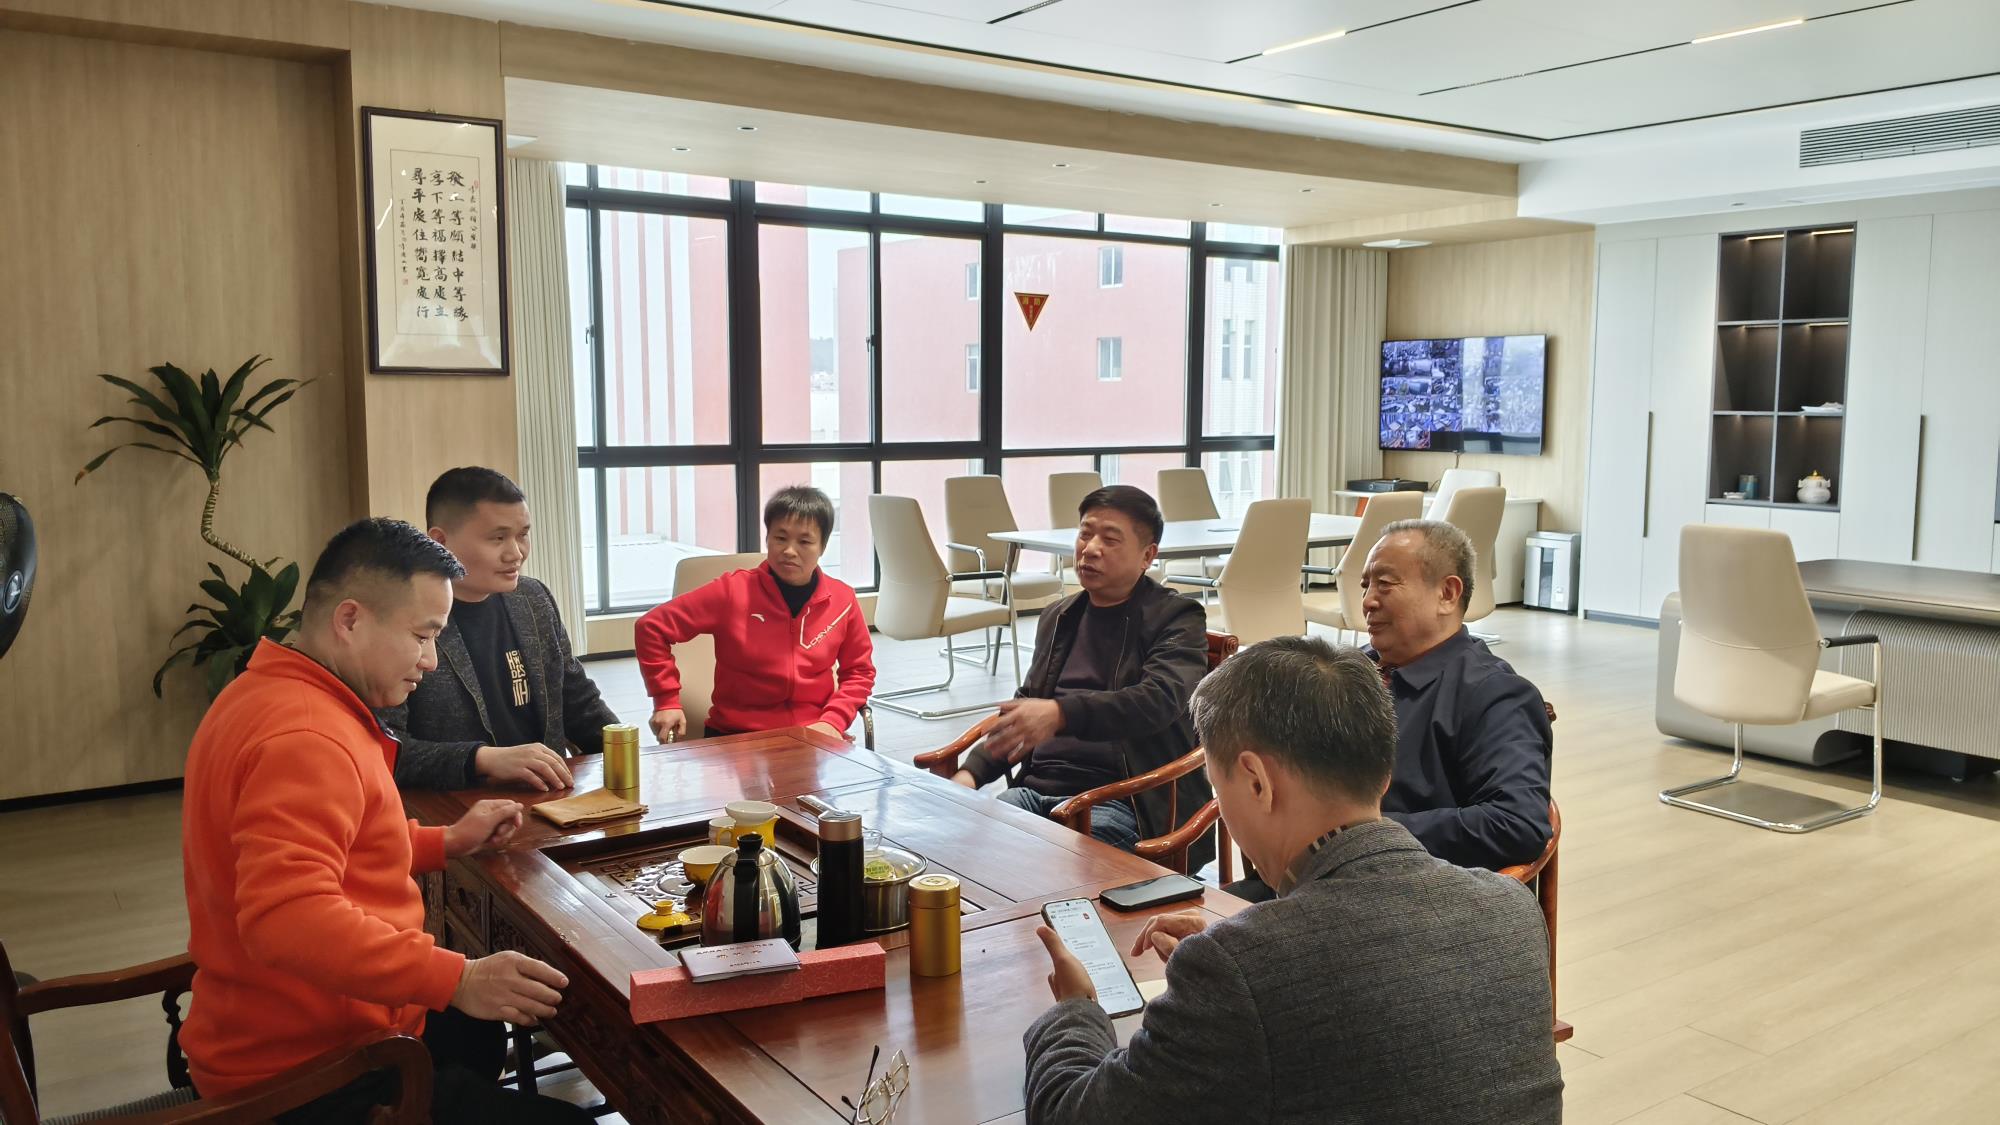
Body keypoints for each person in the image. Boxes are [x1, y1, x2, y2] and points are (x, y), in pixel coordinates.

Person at [1025, 637, 1562, 1124]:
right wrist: (1242, 956)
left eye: (1216, 787)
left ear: (1257, 782)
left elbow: (1072, 1116)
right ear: (1383, 771)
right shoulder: (1511, 911)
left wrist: (1076, 1011)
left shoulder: (1238, 969)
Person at [181, 518, 590, 1124]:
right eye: (423, 636)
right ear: (350, 620)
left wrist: (443, 840)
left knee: (478, 1033)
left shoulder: (268, 690)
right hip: (308, 1071)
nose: (431, 661)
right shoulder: (306, 737)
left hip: (288, 1013)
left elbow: (340, 843)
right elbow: (286, 920)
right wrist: (458, 978)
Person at [950, 485, 1210, 865]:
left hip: (1125, 802)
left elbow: (1158, 700)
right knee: (965, 852)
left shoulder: (1177, 618)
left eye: (1110, 539)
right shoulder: (1059, 616)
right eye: (1085, 534)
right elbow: (1025, 711)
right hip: (1034, 792)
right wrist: (971, 774)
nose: (1090, 549)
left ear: (1147, 556)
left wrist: (1061, 714)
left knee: (1037, 868)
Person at [383, 467, 617, 793]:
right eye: (498, 538)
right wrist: (480, 760)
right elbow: (388, 749)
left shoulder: (533, 598)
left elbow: (579, 704)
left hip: (552, 799)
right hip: (458, 807)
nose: (516, 553)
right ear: (440, 541)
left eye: (522, 535)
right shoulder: (404, 616)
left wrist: (629, 751)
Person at [1360, 518, 1553, 870]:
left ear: (1447, 594)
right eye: (1365, 585)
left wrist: (1365, 833)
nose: (1368, 601)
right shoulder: (1351, 669)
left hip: (1409, 886)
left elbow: (1517, 824)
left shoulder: (1494, 695)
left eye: (1385, 584)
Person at [637, 485, 874, 742]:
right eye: (780, 538)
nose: (789, 550)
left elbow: (859, 672)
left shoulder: (842, 600)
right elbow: (651, 627)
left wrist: (832, 722)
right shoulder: (732, 591)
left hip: (813, 737)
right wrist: (666, 699)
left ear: (823, 546)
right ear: (767, 538)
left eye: (804, 542)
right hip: (736, 737)